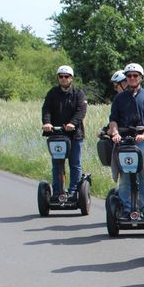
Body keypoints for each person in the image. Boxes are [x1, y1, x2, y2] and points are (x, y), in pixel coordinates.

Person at [107, 62, 144, 217]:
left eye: (135, 75)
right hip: (124, 140)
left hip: (142, 139)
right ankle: (126, 208)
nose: (132, 78)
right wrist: (114, 133)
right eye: (129, 76)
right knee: (126, 175)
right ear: (126, 78)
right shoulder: (119, 98)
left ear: (141, 77)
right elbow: (113, 119)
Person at [41, 65, 87, 196]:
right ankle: (57, 192)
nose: (63, 79)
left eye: (66, 77)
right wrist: (47, 123)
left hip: (74, 135)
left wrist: (72, 123)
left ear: (71, 78)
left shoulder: (78, 93)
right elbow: (46, 110)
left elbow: (81, 111)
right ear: (58, 78)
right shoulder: (52, 93)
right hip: (57, 134)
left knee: (75, 163)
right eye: (61, 76)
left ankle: (73, 191)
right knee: (57, 164)